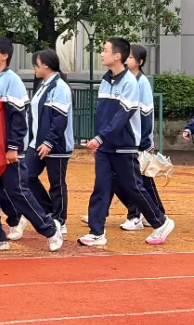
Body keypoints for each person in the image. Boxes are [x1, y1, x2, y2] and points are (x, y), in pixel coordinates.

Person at [79, 37, 174, 248]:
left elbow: (123, 115)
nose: (101, 54)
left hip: (124, 145)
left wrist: (100, 137)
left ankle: (161, 221)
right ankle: (97, 232)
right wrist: (98, 140)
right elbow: (103, 115)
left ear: (117, 56)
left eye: (105, 50)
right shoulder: (105, 80)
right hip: (106, 147)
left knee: (133, 187)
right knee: (101, 187)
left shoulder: (131, 82)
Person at [0, 36, 63, 253]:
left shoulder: (12, 80)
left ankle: (50, 229)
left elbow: (18, 117)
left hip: (9, 151)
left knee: (18, 192)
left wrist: (13, 146)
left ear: (5, 55)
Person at [24, 49, 73, 234]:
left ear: (45, 64)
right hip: (36, 142)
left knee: (57, 183)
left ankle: (60, 219)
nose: (34, 67)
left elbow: (60, 118)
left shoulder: (59, 87)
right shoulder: (44, 85)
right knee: (26, 177)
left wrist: (49, 142)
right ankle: (49, 210)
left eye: (35, 63)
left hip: (56, 145)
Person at [120, 44, 166, 227]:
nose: (126, 60)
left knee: (137, 179)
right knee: (139, 179)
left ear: (140, 62)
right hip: (129, 138)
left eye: (130, 57)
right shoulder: (128, 80)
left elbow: (146, 113)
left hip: (137, 140)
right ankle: (156, 213)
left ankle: (137, 215)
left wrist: (145, 142)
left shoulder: (142, 83)